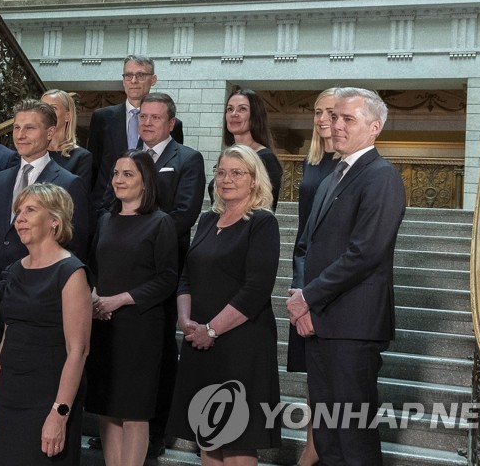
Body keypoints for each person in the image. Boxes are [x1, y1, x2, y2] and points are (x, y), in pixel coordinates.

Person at [287, 88, 405, 466]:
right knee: (327, 434)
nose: (335, 125)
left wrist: (309, 297)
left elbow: (365, 252)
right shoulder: (330, 176)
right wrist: (304, 300)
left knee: (353, 437)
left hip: (354, 324)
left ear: (374, 128)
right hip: (321, 322)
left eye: (347, 119)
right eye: (334, 117)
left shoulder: (381, 176)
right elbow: (306, 244)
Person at [0, 99, 90, 450]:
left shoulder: (69, 182)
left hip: (44, 307)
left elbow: (76, 246)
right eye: (17, 127)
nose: (20, 135)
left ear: (51, 132)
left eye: (30, 127)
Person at [167, 145, 281, 465]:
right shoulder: (206, 220)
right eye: (221, 172)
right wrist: (185, 319)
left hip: (240, 346)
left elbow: (256, 289)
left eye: (236, 173)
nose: (226, 179)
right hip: (200, 341)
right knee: (209, 433)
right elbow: (186, 276)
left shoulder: (262, 223)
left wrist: (212, 330)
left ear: (255, 180)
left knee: (236, 439)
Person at [0, 183, 91, 466]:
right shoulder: (15, 270)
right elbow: (8, 336)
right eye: (18, 211)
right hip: (10, 394)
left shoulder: (71, 272)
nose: (20, 218)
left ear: (55, 220)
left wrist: (59, 412)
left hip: (48, 397)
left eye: (30, 210)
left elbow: (78, 351)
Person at [87, 151, 177, 466]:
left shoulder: (160, 222)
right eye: (115, 173)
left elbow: (168, 278)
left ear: (145, 181)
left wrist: (121, 298)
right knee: (107, 407)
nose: (119, 180)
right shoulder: (105, 219)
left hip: (140, 327)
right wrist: (95, 297)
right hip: (103, 324)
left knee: (134, 411)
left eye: (128, 174)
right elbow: (95, 267)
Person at [135, 93, 206, 458]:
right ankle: (125, 420)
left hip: (164, 264)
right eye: (143, 116)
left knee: (159, 352)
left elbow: (185, 213)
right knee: (127, 349)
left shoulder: (187, 158)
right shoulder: (131, 157)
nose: (146, 123)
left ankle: (156, 430)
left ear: (171, 123)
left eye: (155, 118)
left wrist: (143, 240)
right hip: (125, 268)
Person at [286, 88, 339, 466]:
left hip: (338, 284)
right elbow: (304, 233)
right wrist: (298, 285)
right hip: (308, 276)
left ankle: (322, 446)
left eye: (331, 112)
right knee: (312, 375)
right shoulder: (313, 162)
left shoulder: (354, 164)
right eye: (318, 111)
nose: (322, 119)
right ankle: (312, 443)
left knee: (335, 373)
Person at [88, 55, 184, 209]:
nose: (133, 81)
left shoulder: (173, 125)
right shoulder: (102, 118)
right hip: (104, 210)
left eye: (140, 75)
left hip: (149, 210)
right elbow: (93, 168)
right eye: (128, 75)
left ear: (153, 80)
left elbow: (175, 171)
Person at [219, 88, 282, 210]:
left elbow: (266, 207)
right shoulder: (227, 155)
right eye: (230, 109)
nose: (234, 114)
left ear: (255, 116)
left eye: (242, 109)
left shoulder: (266, 158)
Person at [42, 88, 93, 188]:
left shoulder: (81, 157)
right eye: (42, 108)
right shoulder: (31, 152)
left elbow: (79, 196)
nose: (45, 114)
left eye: (53, 108)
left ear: (68, 116)